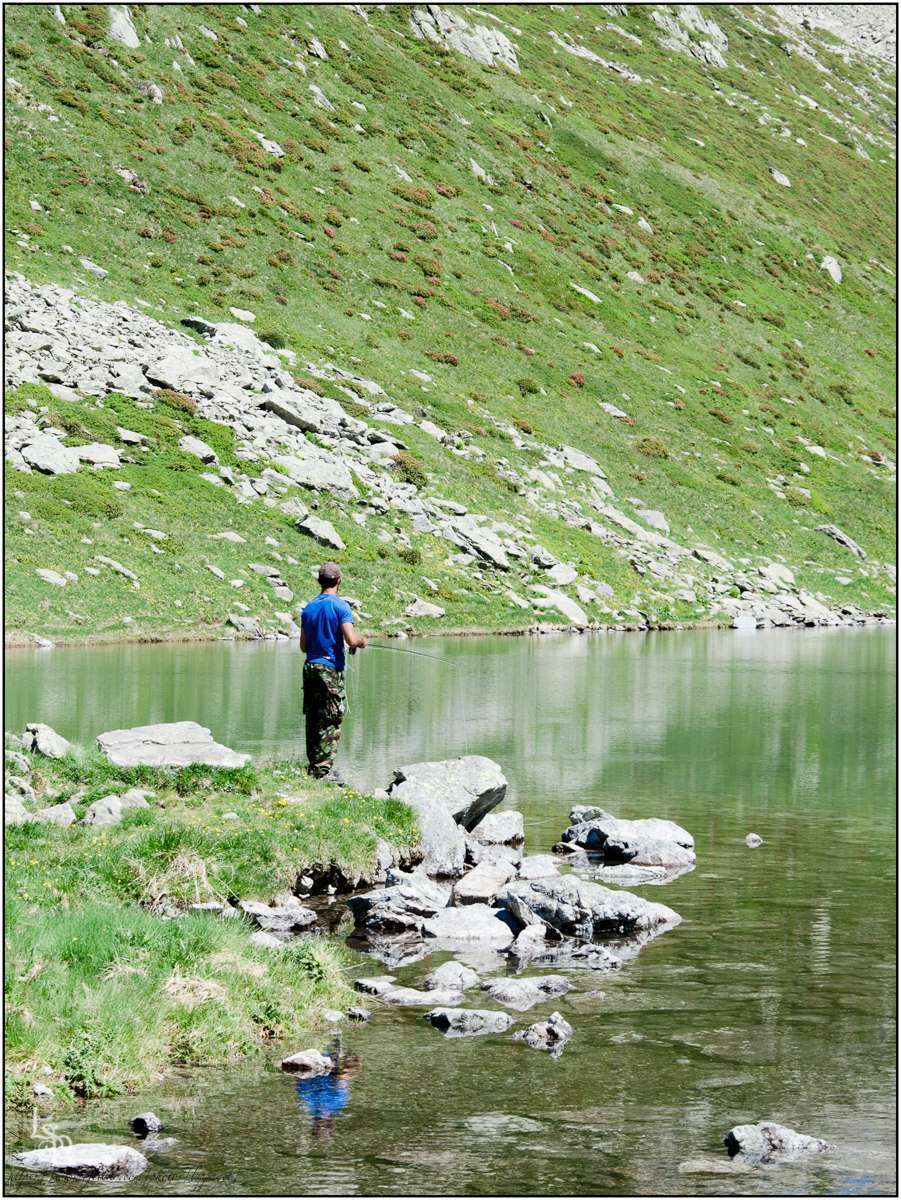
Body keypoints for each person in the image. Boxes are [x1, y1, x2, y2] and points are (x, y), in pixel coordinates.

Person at [300, 562, 366, 780]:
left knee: (313, 715)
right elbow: (351, 639)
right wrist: (362, 641)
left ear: (319, 581)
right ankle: (323, 771)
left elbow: (303, 646)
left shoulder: (308, 608)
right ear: (339, 581)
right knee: (330, 716)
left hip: (310, 667)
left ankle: (314, 766)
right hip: (329, 670)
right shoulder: (340, 606)